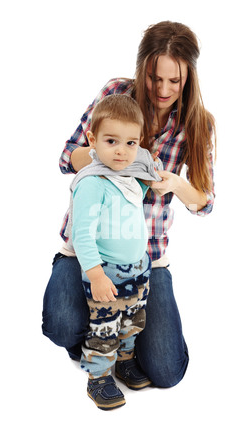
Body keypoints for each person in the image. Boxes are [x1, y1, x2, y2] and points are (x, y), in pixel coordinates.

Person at [42, 20, 216, 389]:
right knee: (61, 325)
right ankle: (99, 344)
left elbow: (204, 203)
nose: (163, 89)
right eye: (155, 78)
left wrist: (175, 184)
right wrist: (112, 156)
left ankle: (122, 341)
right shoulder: (117, 93)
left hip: (145, 258)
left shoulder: (198, 123)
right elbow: (66, 156)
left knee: (167, 371)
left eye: (175, 81)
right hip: (89, 251)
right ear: (143, 68)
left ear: (189, 77)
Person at [62, 94, 163, 410]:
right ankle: (98, 377)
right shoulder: (93, 182)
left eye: (131, 143)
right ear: (92, 140)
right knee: (105, 326)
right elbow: (83, 233)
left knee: (132, 321)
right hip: (107, 270)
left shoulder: (129, 178)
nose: (122, 151)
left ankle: (125, 361)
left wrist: (151, 179)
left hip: (137, 267)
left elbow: (137, 199)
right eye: (111, 141)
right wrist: (95, 274)